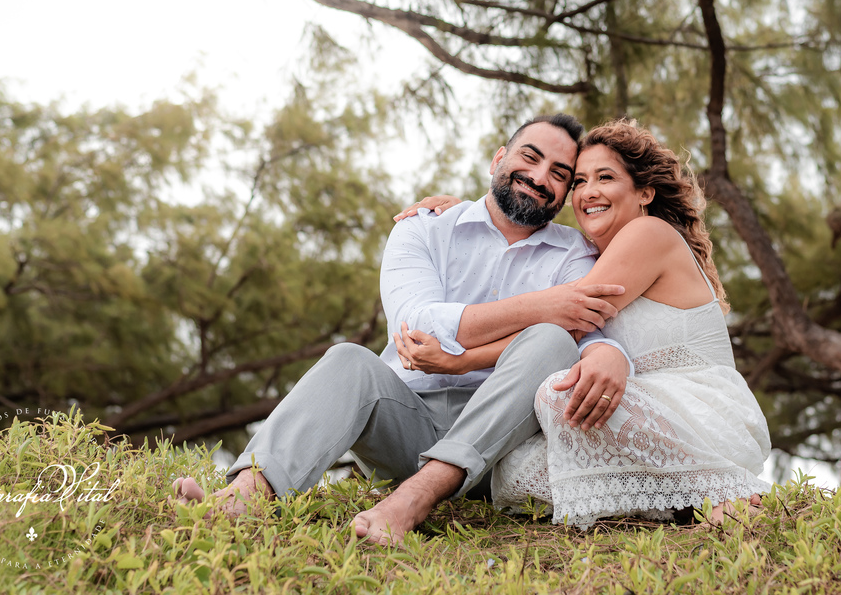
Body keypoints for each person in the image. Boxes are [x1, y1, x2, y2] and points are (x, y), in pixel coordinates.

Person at [172, 114, 635, 546]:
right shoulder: (423, 229)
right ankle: (243, 498)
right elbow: (419, 326)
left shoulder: (574, 254)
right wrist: (542, 306)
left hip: (507, 441)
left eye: (559, 173)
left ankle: (416, 499)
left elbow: (582, 334)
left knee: (552, 340)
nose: (539, 177)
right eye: (529, 157)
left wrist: (605, 351)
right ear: (499, 159)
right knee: (349, 359)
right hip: (407, 422)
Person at [395, 118, 772, 528]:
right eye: (578, 182)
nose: (588, 192)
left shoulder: (647, 234)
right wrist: (472, 210)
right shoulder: (590, 256)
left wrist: (462, 360)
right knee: (512, 468)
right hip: (638, 407)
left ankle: (725, 489)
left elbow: (568, 324)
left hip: (699, 411)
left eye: (605, 178)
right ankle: (666, 504)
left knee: (558, 395)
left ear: (644, 192)